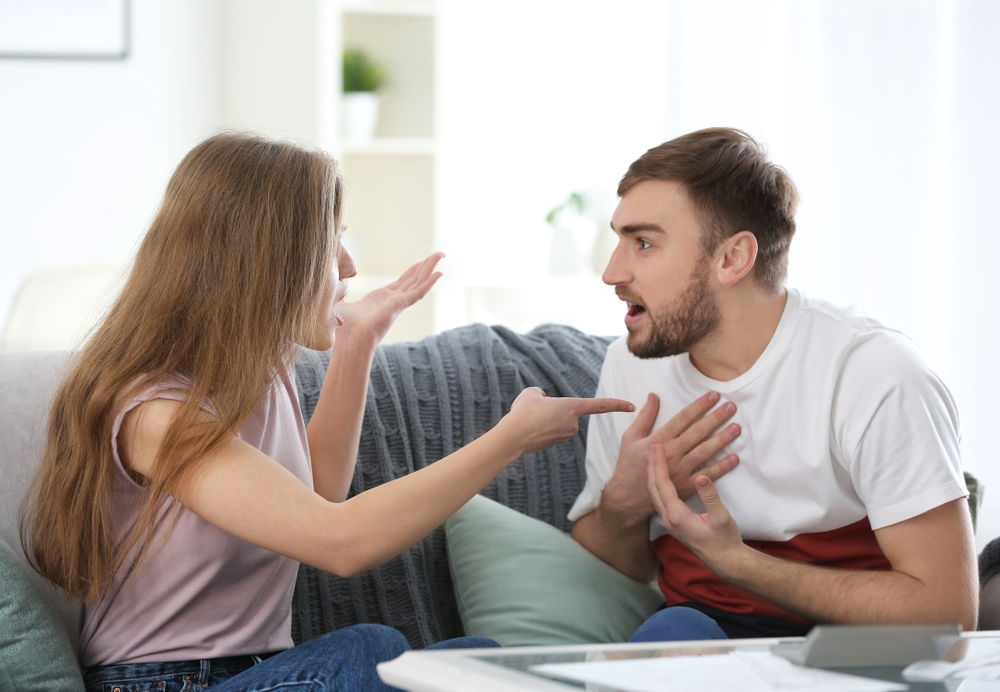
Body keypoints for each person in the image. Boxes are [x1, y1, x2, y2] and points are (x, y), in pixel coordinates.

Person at [21, 132, 635, 691]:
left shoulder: (262, 371)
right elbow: (339, 542)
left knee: (476, 659)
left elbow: (316, 495)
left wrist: (358, 344)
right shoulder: (156, 413)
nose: (347, 267)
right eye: (332, 240)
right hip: (166, 683)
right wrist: (507, 440)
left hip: (267, 672)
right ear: (265, 262)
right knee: (371, 648)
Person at [569, 127, 978, 642]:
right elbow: (614, 566)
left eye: (643, 243)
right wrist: (626, 501)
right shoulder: (631, 365)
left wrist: (739, 563)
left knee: (675, 634)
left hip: (846, 654)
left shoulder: (874, 373)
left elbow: (948, 614)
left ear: (732, 258)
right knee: (670, 633)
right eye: (619, 239)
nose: (612, 271)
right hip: (691, 644)